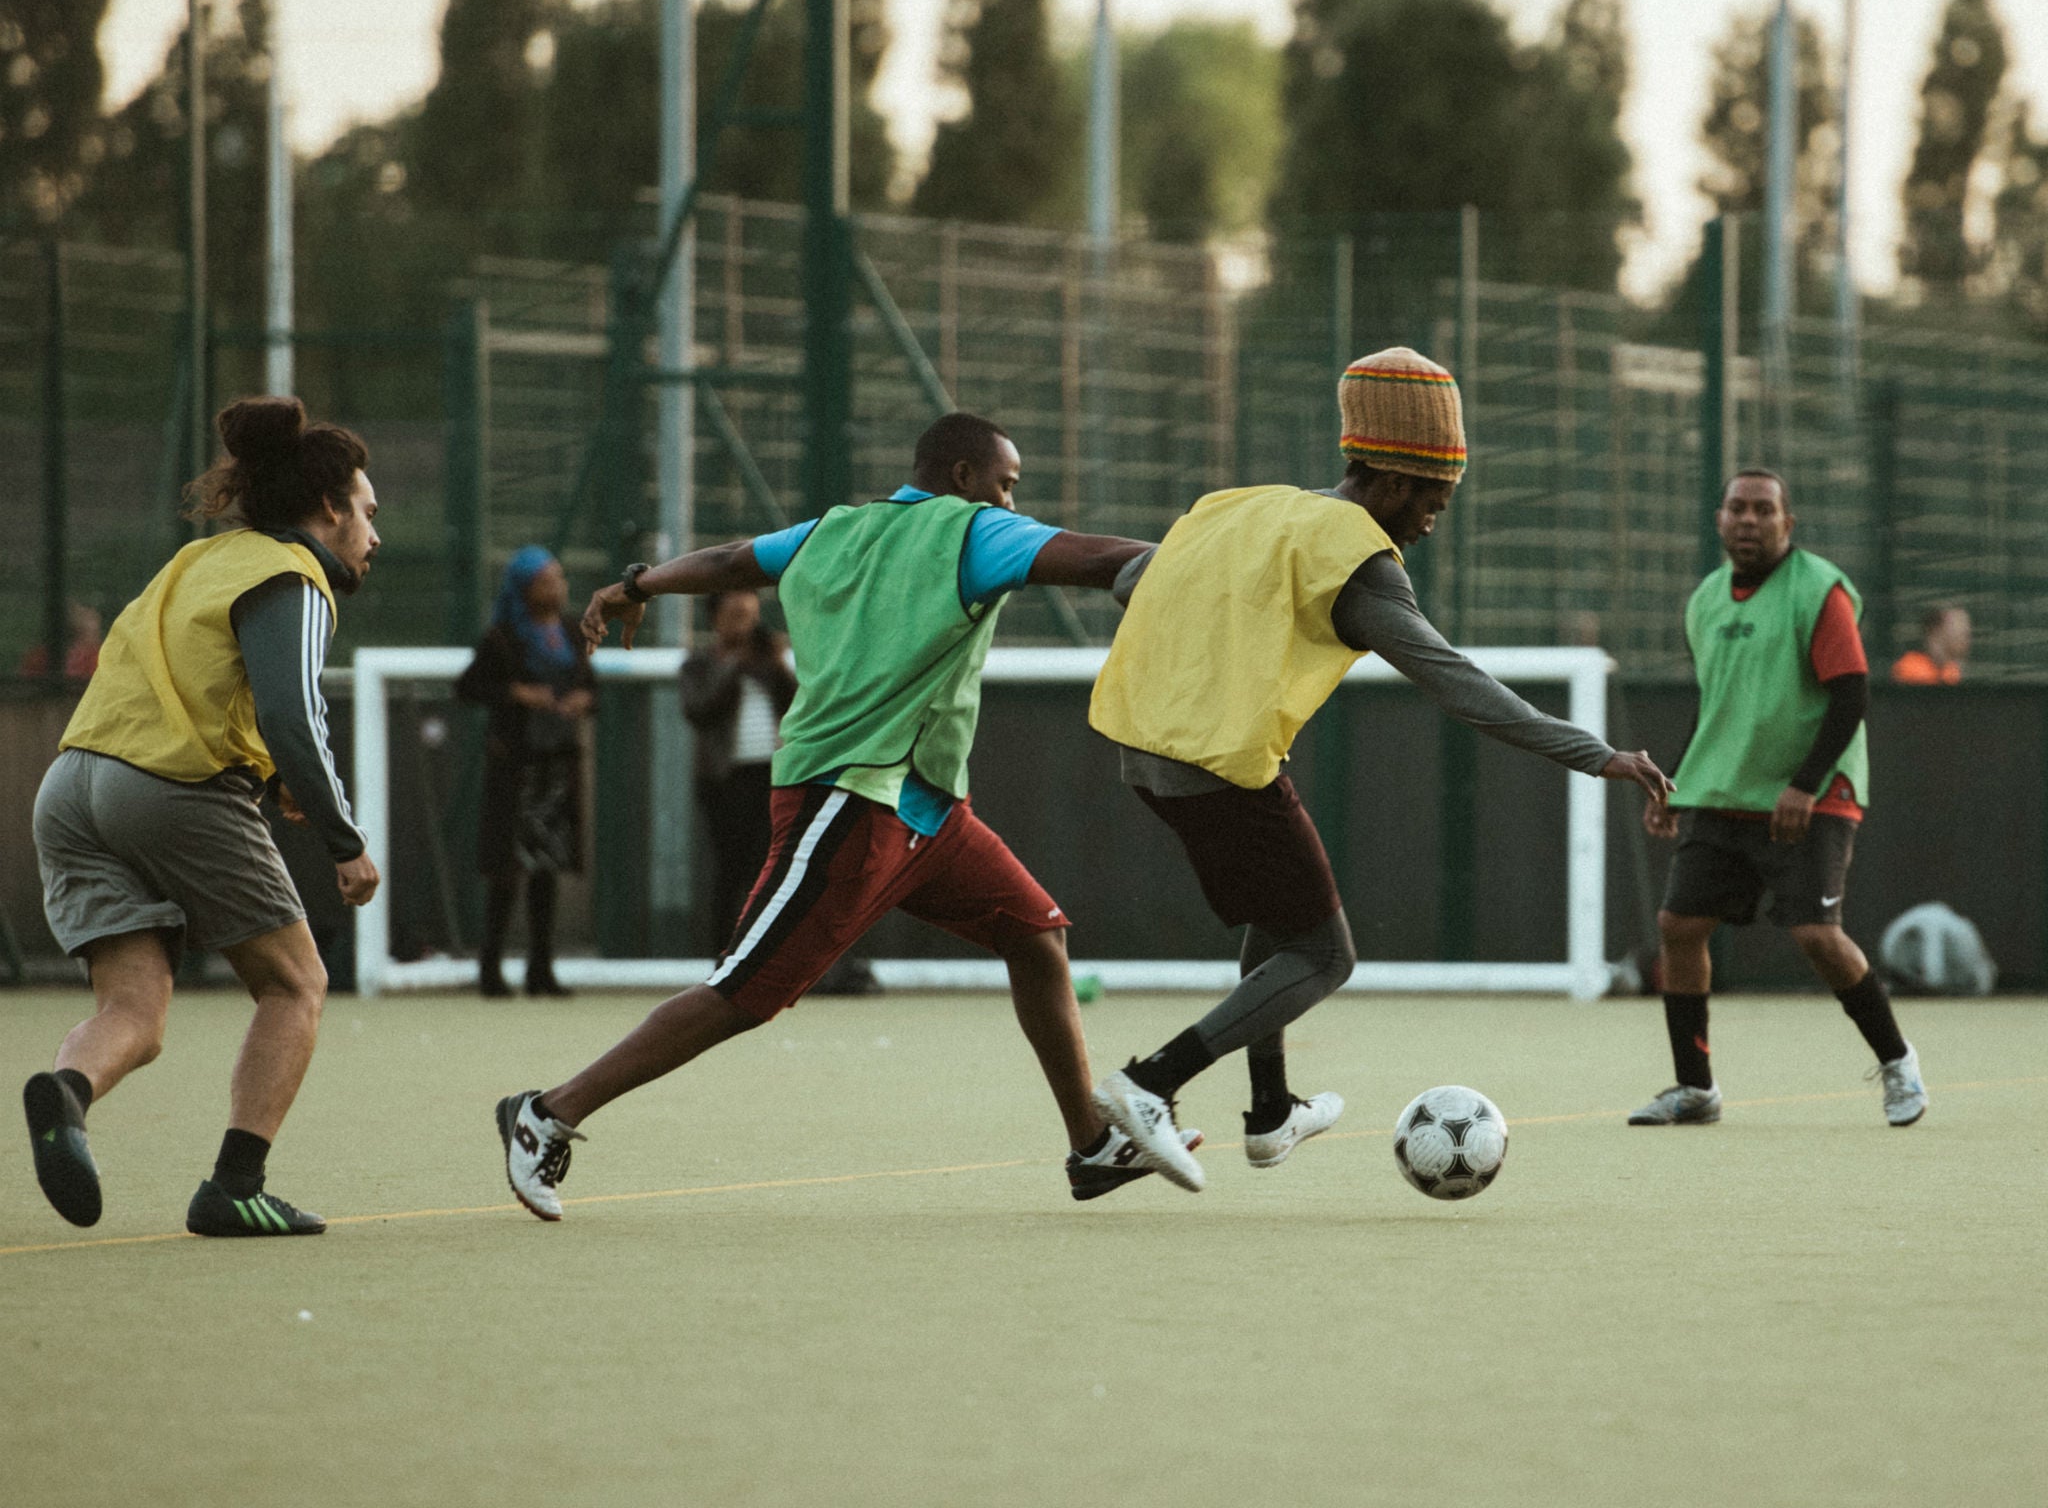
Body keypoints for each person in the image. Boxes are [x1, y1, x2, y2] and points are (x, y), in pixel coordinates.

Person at [495, 412, 1176, 1219]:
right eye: (1007, 483)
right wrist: (1206, 564)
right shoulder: (973, 531)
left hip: (926, 810)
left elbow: (725, 562)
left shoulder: (831, 530)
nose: (1013, 502)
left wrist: (638, 583)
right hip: (847, 796)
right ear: (962, 477)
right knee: (743, 990)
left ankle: (1091, 1146)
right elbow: (1100, 560)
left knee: (1036, 937)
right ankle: (548, 1112)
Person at [1084, 347, 1672, 1192]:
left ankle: (1270, 1112)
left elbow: (1135, 579)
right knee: (1324, 955)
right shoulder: (1360, 563)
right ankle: (1150, 1085)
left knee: (1278, 919)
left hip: (1142, 750)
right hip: (1223, 765)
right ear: (1392, 480)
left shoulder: (1243, 507)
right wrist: (1599, 755)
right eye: (1435, 498)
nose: (1436, 518)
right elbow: (1464, 688)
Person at [22, 396, 382, 1237]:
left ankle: (66, 1093)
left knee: (136, 1017)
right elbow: (297, 716)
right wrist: (345, 840)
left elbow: (203, 682)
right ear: (328, 508)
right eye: (367, 512)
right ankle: (235, 1186)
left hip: (73, 784)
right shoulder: (295, 578)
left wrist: (275, 772)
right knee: (296, 982)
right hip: (168, 788)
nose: (374, 532)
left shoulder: (200, 561)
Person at [1635, 468, 1926, 1127]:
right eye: (1737, 507)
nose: (1749, 519)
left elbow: (1852, 693)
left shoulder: (1818, 590)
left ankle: (1899, 1063)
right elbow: (1720, 708)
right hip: (1726, 792)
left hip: (1812, 794)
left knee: (1818, 935)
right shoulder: (1705, 599)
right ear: (1718, 519)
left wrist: (1804, 785)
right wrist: (1674, 786)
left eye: (1764, 510)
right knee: (1678, 927)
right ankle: (1695, 1089)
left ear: (1786, 524)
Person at [456, 547, 596, 997]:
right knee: (505, 870)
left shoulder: (573, 634)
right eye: (547, 579)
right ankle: (490, 968)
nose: (558, 587)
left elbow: (592, 687)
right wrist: (516, 693)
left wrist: (582, 701)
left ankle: (541, 970)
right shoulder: (501, 638)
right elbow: (469, 686)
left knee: (546, 868)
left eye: (560, 577)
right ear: (525, 589)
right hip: (514, 767)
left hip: (555, 765)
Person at [681, 587, 797, 946]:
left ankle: (763, 950)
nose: (745, 626)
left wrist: (776, 663)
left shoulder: (768, 664)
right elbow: (700, 712)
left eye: (750, 617)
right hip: (724, 778)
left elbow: (795, 704)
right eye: (736, 617)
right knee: (730, 867)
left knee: (768, 866)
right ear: (716, 618)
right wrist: (733, 664)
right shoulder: (700, 664)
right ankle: (723, 951)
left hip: (769, 773)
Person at [1891, 604, 1969, 685]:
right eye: (1957, 631)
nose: (1964, 638)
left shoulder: (1951, 671)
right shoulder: (1909, 668)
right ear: (1936, 631)